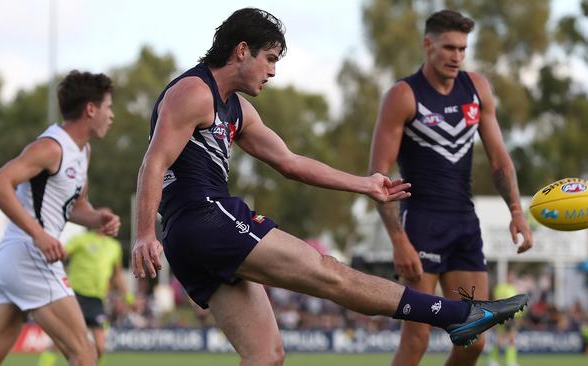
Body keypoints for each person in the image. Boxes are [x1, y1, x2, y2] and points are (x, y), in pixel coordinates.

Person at [131, 8, 527, 365]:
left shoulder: (238, 109)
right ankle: (460, 315)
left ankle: (461, 316)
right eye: (269, 60)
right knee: (329, 273)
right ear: (241, 50)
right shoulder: (193, 92)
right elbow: (154, 160)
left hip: (196, 236)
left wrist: (365, 185)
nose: (272, 72)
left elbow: (291, 164)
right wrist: (145, 233)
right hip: (206, 219)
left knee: (266, 356)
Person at [368, 9, 534, 366]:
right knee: (416, 340)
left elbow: (499, 161)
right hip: (420, 226)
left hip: (463, 224)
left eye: (462, 48)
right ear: (428, 45)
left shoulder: (477, 90)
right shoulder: (403, 95)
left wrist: (517, 213)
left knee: (473, 341)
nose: (457, 56)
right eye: (448, 48)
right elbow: (378, 179)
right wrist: (398, 240)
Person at [0, 70, 119, 366]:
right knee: (85, 354)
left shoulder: (83, 152)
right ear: (91, 109)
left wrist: (97, 218)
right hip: (31, 258)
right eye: (109, 107)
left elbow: (76, 206)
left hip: (14, 260)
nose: (112, 115)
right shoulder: (51, 147)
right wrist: (40, 235)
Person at [37, 230, 133, 366]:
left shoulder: (114, 246)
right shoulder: (81, 239)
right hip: (76, 297)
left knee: (100, 347)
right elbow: (59, 255)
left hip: (97, 300)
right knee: (60, 342)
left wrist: (128, 297)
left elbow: (117, 275)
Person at [486, 280, 522, 366]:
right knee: (503, 338)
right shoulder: (501, 288)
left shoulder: (513, 289)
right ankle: (495, 360)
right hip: (505, 316)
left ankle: (502, 360)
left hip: (513, 316)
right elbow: (497, 300)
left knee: (509, 338)